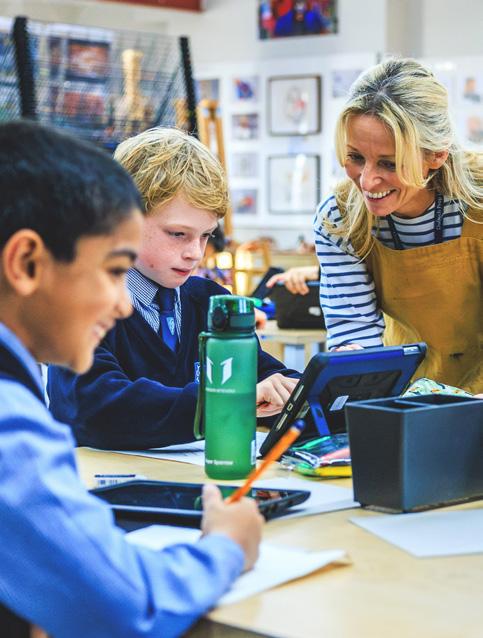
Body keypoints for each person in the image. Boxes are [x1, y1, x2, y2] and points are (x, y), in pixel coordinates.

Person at [0, 120, 263, 637]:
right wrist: (226, 547)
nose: (124, 304)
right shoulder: (10, 430)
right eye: (114, 270)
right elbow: (125, 604)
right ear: (26, 263)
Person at [48, 127, 298, 450]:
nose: (195, 252)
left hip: (194, 478)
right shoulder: (80, 305)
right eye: (178, 234)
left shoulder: (211, 302)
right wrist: (225, 402)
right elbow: (98, 407)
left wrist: (297, 391)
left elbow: (265, 378)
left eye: (206, 235)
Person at [313, 57, 482, 393]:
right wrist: (357, 373)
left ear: (436, 155)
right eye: (356, 157)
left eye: (389, 163)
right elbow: (356, 337)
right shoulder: (340, 219)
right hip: (407, 391)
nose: (367, 181)